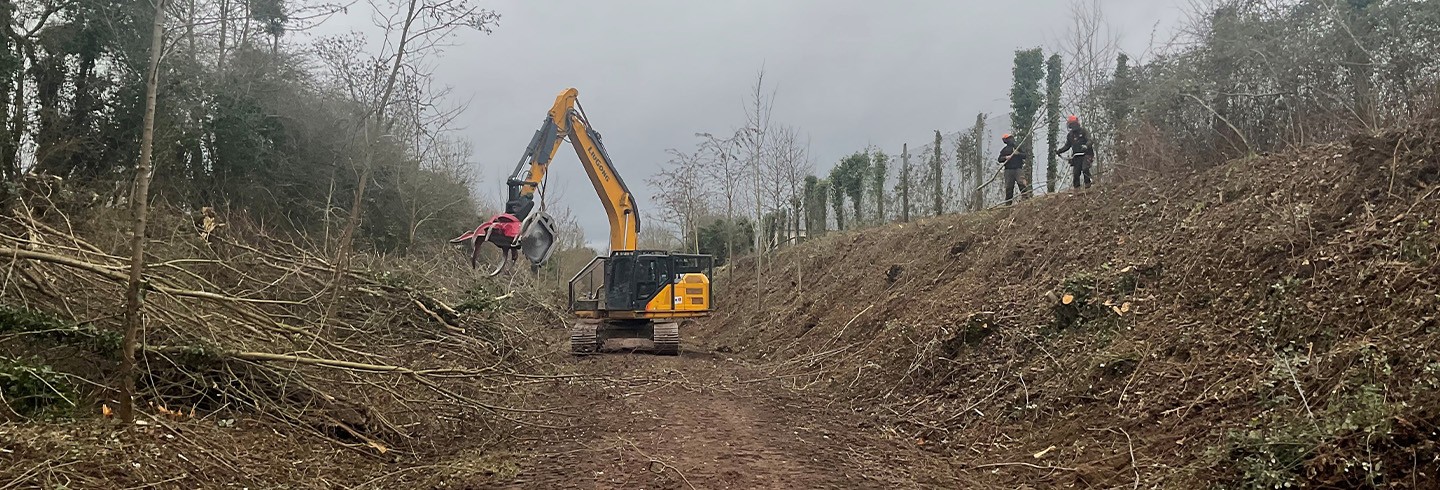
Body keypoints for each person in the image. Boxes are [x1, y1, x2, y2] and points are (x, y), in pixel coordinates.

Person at [1056, 115, 1094, 189]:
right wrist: (1059, 151)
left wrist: (1086, 146)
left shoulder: (1083, 131)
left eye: (1072, 124)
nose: (1071, 126)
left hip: (1086, 154)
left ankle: (1088, 185)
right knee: (1076, 173)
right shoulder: (1070, 135)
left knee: (1085, 168)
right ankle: (1076, 189)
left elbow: (1090, 140)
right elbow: (1067, 146)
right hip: (1076, 156)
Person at [997, 133, 1031, 205]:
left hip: (1018, 169)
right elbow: (999, 159)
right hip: (1008, 170)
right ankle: (1008, 204)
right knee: (1009, 188)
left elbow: (1025, 155)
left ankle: (1026, 200)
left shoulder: (1018, 147)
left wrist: (1017, 153)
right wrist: (1005, 157)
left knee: (1021, 184)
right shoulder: (1004, 150)